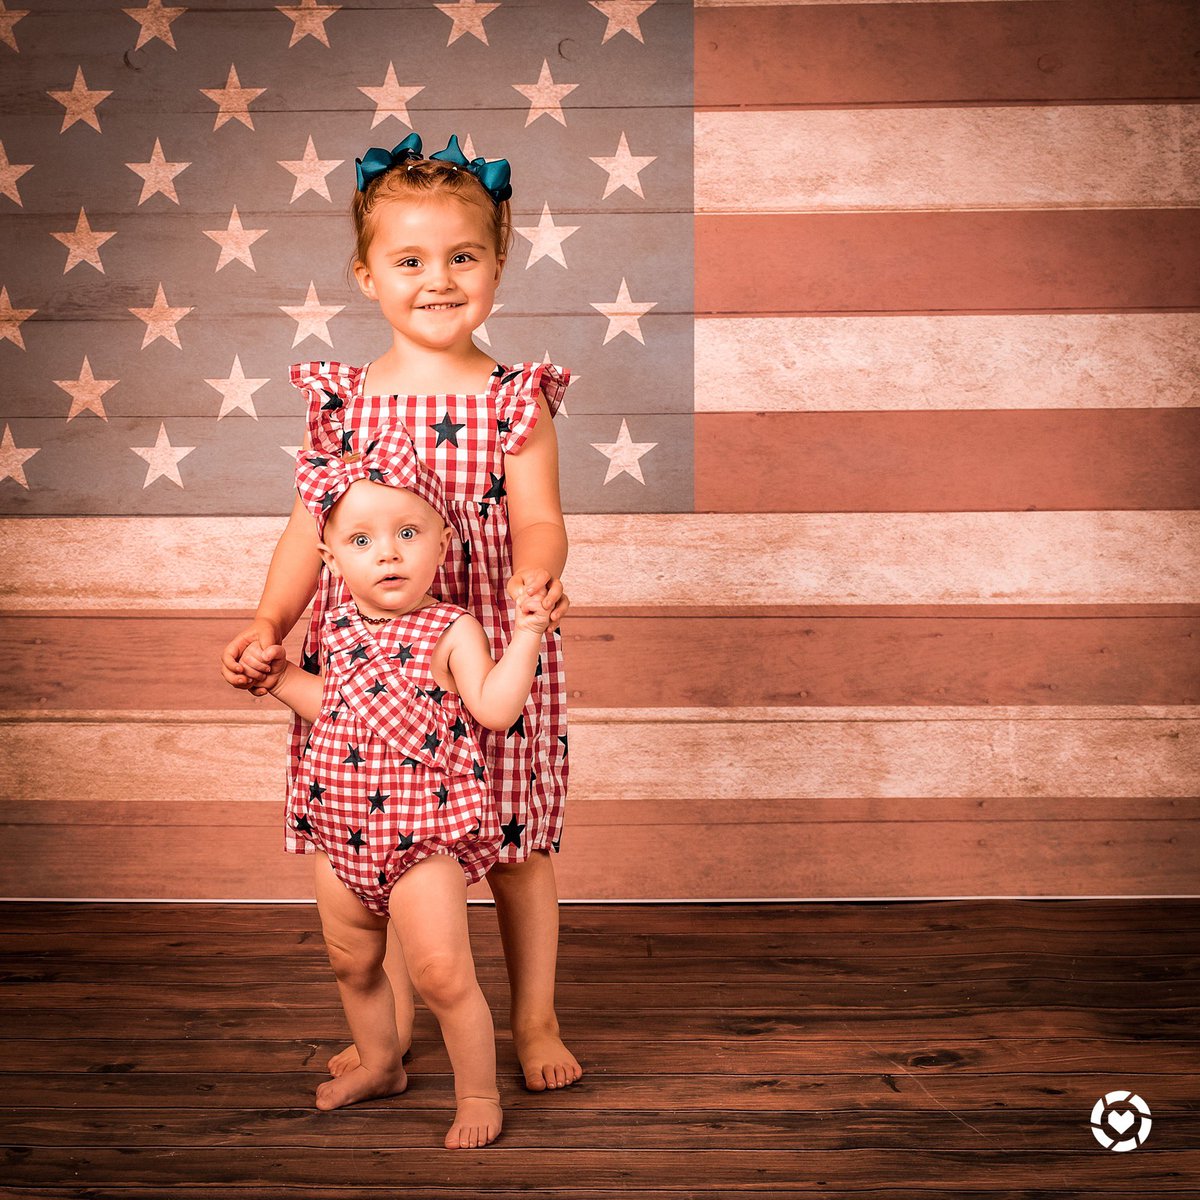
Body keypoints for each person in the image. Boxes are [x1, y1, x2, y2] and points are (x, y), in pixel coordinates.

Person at [220, 132, 583, 1093]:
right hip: (375, 663)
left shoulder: (516, 402)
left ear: (498, 264)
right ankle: (401, 1021)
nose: (439, 279)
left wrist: (535, 579)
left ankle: (534, 1016)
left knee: (511, 844)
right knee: (382, 840)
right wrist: (270, 622)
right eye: (410, 260)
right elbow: (307, 532)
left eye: (463, 257)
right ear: (366, 274)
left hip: (493, 646)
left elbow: (541, 517)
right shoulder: (343, 404)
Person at [253, 419, 549, 1149]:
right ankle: (382, 1062)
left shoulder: (452, 630)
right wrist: (280, 677)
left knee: (443, 973)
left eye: (408, 533)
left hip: (420, 839)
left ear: (443, 543)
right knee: (352, 962)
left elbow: (496, 708)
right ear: (329, 558)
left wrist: (529, 635)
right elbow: (334, 707)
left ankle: (477, 1090)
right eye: (361, 541)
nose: (386, 552)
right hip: (341, 832)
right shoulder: (335, 627)